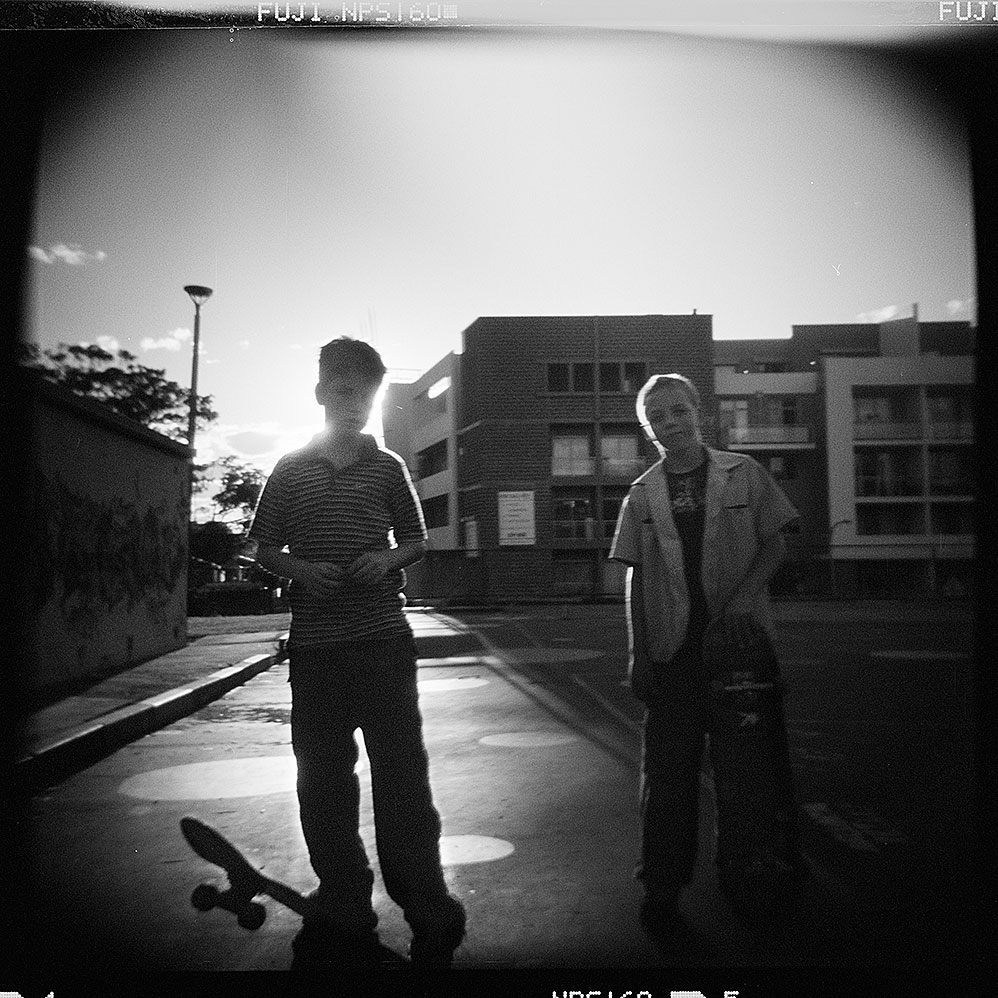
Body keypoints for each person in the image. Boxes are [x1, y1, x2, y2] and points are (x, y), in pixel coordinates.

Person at [247, 337, 465, 969]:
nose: (354, 404)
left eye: (365, 393)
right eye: (342, 390)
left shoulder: (389, 466)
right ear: (319, 393)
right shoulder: (289, 469)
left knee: (402, 775)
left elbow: (418, 540)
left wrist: (386, 558)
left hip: (382, 643)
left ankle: (424, 898)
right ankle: (343, 895)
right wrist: (300, 571)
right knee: (323, 780)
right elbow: (260, 549)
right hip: (317, 651)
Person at [608, 372, 802, 939]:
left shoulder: (745, 473)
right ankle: (662, 893)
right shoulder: (641, 495)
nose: (671, 423)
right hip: (672, 659)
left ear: (699, 411)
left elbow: (777, 541)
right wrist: (638, 654)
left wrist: (744, 595)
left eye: (678, 410)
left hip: (741, 657)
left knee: (748, 778)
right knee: (667, 782)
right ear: (649, 430)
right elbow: (635, 581)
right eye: (658, 418)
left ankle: (751, 881)